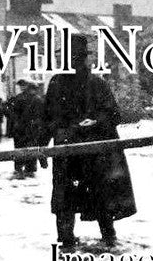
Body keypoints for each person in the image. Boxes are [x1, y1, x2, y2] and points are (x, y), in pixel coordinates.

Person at [40, 34, 136, 248]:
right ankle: (67, 243)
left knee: (100, 201)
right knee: (65, 202)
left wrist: (93, 122)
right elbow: (47, 117)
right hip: (67, 153)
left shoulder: (96, 84)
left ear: (80, 59)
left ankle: (106, 241)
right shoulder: (56, 83)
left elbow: (113, 115)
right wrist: (41, 148)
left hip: (92, 154)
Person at [5, 78, 45, 178]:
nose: (22, 87)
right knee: (31, 151)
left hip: (20, 130)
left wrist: (14, 125)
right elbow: (42, 116)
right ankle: (29, 170)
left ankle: (19, 170)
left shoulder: (16, 99)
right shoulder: (38, 99)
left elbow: (8, 113)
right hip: (32, 130)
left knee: (19, 150)